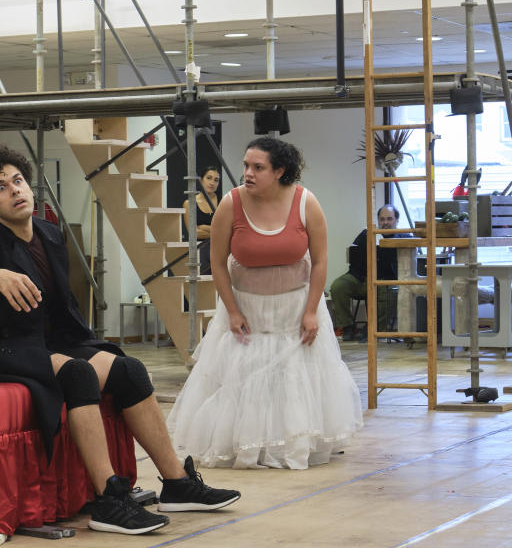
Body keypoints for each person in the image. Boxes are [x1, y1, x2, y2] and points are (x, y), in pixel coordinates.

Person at [0, 146, 241, 536]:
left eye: (18, 181)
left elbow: (60, 305)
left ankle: (176, 482)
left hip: (47, 339)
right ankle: (108, 499)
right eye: (1, 188)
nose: (14, 190)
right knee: (80, 374)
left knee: (129, 370)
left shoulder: (50, 232)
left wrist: (88, 343)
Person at [167, 137, 362, 470]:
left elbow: (320, 261)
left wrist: (312, 310)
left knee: (294, 378)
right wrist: (231, 310)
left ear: (279, 171)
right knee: (244, 377)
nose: (248, 173)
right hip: (247, 308)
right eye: (246, 165)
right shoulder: (230, 204)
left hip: (295, 308)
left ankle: (294, 442)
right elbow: (216, 262)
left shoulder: (306, 202)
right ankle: (246, 446)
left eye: (258, 167)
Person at [329, 205, 407, 340]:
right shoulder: (367, 234)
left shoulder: (404, 237)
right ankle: (347, 326)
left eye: (389, 219)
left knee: (387, 290)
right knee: (338, 286)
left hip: (384, 282)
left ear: (397, 220)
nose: (385, 223)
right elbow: (354, 254)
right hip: (360, 278)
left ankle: (374, 329)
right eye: (382, 219)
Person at [183, 166, 220, 274]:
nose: (212, 182)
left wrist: (202, 227)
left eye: (216, 180)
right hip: (200, 251)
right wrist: (217, 231)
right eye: (209, 178)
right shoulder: (189, 203)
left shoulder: (224, 202)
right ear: (201, 179)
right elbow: (194, 233)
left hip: (220, 251)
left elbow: (228, 231)